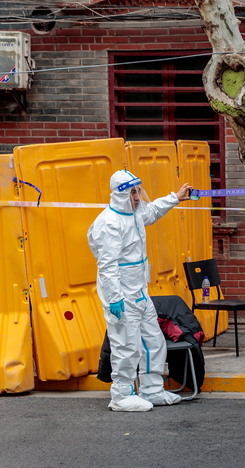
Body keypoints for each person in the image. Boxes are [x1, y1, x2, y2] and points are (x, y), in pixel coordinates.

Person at [87, 169, 192, 412]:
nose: (137, 197)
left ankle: (152, 389)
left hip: (140, 292)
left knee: (153, 341)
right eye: (132, 193)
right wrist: (115, 298)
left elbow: (152, 211)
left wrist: (175, 197)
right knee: (125, 346)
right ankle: (121, 395)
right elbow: (107, 265)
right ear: (120, 194)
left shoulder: (134, 213)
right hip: (122, 295)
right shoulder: (109, 223)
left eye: (138, 191)